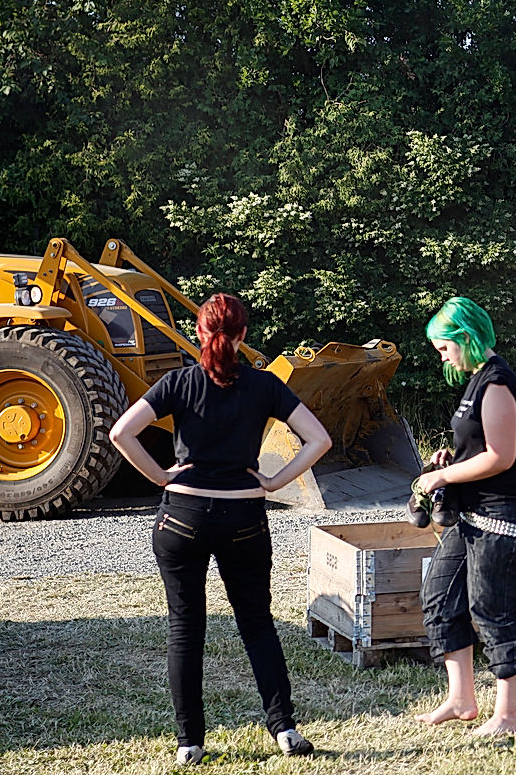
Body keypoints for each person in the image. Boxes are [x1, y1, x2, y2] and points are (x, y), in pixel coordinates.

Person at [109, 293, 330, 765]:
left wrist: (163, 476)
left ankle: (189, 743)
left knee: (185, 627)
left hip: (181, 517)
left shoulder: (179, 383)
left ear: (198, 334)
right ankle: (285, 729)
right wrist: (272, 481)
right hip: (244, 517)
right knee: (256, 624)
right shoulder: (265, 385)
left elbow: (120, 432)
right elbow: (319, 439)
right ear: (244, 335)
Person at [414, 296, 516, 737]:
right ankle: (461, 699)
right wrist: (452, 458)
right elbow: (481, 448)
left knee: (493, 608)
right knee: (440, 597)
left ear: (465, 338)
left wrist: (443, 476)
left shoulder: (497, 384)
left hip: (507, 513)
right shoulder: (476, 381)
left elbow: (502, 457)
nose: (442, 356)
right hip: (476, 512)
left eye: (444, 347)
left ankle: (507, 718)